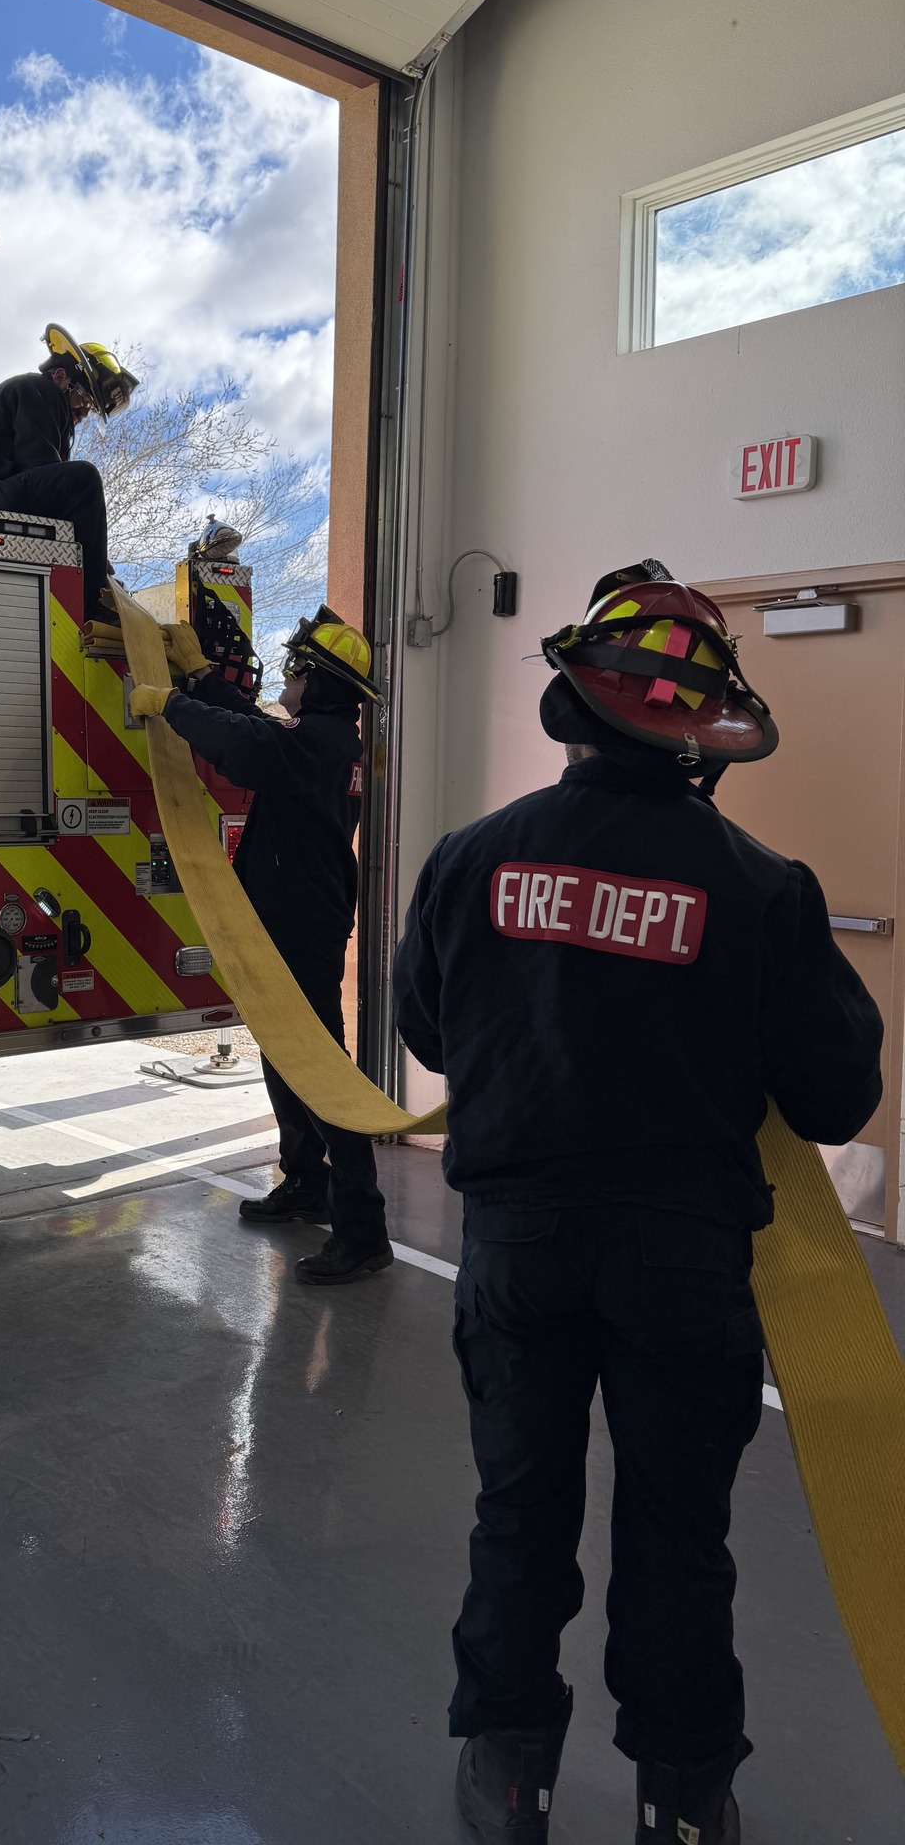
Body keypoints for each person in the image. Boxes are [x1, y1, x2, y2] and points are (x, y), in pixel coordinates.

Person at [390, 560, 883, 1844]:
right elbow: (835, 1096)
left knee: (519, 1511)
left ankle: (507, 1772)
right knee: (678, 1534)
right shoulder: (766, 887)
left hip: (514, 1254)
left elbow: (427, 1033)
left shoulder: (469, 858)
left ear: (576, 708)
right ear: (697, 734)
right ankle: (684, 1795)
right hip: (686, 1270)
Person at [128, 605, 392, 1285]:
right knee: (284, 1050)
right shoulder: (325, 737)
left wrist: (171, 703)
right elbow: (255, 728)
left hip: (303, 918)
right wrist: (197, 673)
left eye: (297, 670)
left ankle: (362, 1230)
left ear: (321, 683)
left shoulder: (322, 744)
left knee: (321, 1066)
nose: (286, 678)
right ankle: (307, 1180)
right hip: (299, 911)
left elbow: (243, 746)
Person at [0, 324, 137, 620]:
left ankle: (94, 584)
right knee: (83, 479)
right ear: (62, 376)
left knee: (74, 489)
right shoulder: (39, 390)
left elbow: (44, 489)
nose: (84, 412)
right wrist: (97, 573)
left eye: (90, 407)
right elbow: (43, 472)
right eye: (84, 400)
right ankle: (93, 603)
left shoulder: (36, 403)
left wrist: (98, 558)